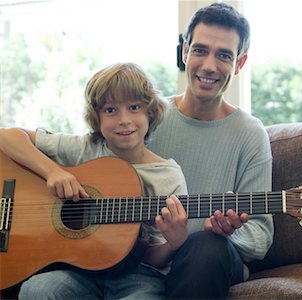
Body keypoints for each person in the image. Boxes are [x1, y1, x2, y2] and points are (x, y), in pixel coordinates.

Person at [0, 62, 189, 299]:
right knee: (37, 290)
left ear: (150, 112)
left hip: (138, 277)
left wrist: (174, 243)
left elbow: (152, 257)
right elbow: (6, 137)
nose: (124, 120)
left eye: (134, 107)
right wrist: (52, 172)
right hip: (76, 272)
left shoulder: (167, 175)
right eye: (111, 110)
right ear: (96, 117)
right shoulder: (85, 148)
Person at [147, 3, 274, 299]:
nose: (209, 66)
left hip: (210, 260)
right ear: (185, 52)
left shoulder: (250, 134)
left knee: (205, 245)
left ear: (239, 64)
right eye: (200, 50)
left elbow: (261, 236)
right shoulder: (147, 119)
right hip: (148, 262)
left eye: (224, 55)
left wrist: (228, 231)